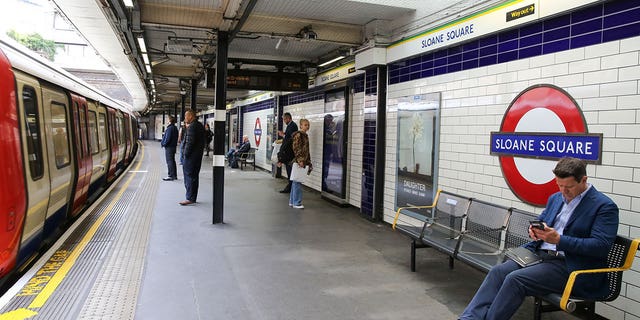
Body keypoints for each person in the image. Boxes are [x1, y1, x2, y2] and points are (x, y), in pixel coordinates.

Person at [460, 157, 619, 320]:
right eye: (560, 185)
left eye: (569, 187)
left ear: (583, 180)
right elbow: (543, 221)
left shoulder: (604, 206)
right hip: (540, 255)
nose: (564, 191)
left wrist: (559, 240)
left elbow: (601, 246)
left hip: (571, 265)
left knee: (515, 280)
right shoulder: (556, 198)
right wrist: (534, 231)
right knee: (498, 272)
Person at [180, 109, 205, 206]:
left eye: (186, 116)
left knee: (189, 177)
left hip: (191, 157)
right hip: (197, 156)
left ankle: (189, 198)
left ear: (191, 116)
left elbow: (189, 142)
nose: (185, 118)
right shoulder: (199, 125)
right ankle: (192, 197)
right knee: (194, 177)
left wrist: (185, 154)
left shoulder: (192, 127)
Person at [289, 118, 312, 209]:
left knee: (296, 180)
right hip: (299, 161)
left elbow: (306, 150)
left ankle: (292, 201)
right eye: (305, 125)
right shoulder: (299, 135)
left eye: (308, 125)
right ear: (300, 126)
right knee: (297, 181)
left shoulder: (305, 135)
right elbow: (296, 148)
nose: (307, 126)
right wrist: (300, 160)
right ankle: (297, 203)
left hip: (302, 160)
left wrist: (308, 162)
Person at [278, 112, 298, 193]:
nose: (284, 121)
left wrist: (283, 135)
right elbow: (288, 136)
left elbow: (290, 139)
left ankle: (290, 187)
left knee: (290, 171)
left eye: (284, 119)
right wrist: (284, 134)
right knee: (289, 170)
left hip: (289, 153)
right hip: (288, 152)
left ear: (288, 118)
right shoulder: (290, 125)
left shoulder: (292, 126)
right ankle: (290, 187)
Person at [160, 115, 178, 181]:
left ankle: (170, 175)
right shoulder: (175, 128)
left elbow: (168, 138)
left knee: (169, 161)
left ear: (170, 120)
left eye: (168, 119)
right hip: (173, 147)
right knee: (172, 161)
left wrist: (163, 144)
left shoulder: (170, 128)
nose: (167, 120)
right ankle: (174, 175)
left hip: (169, 147)